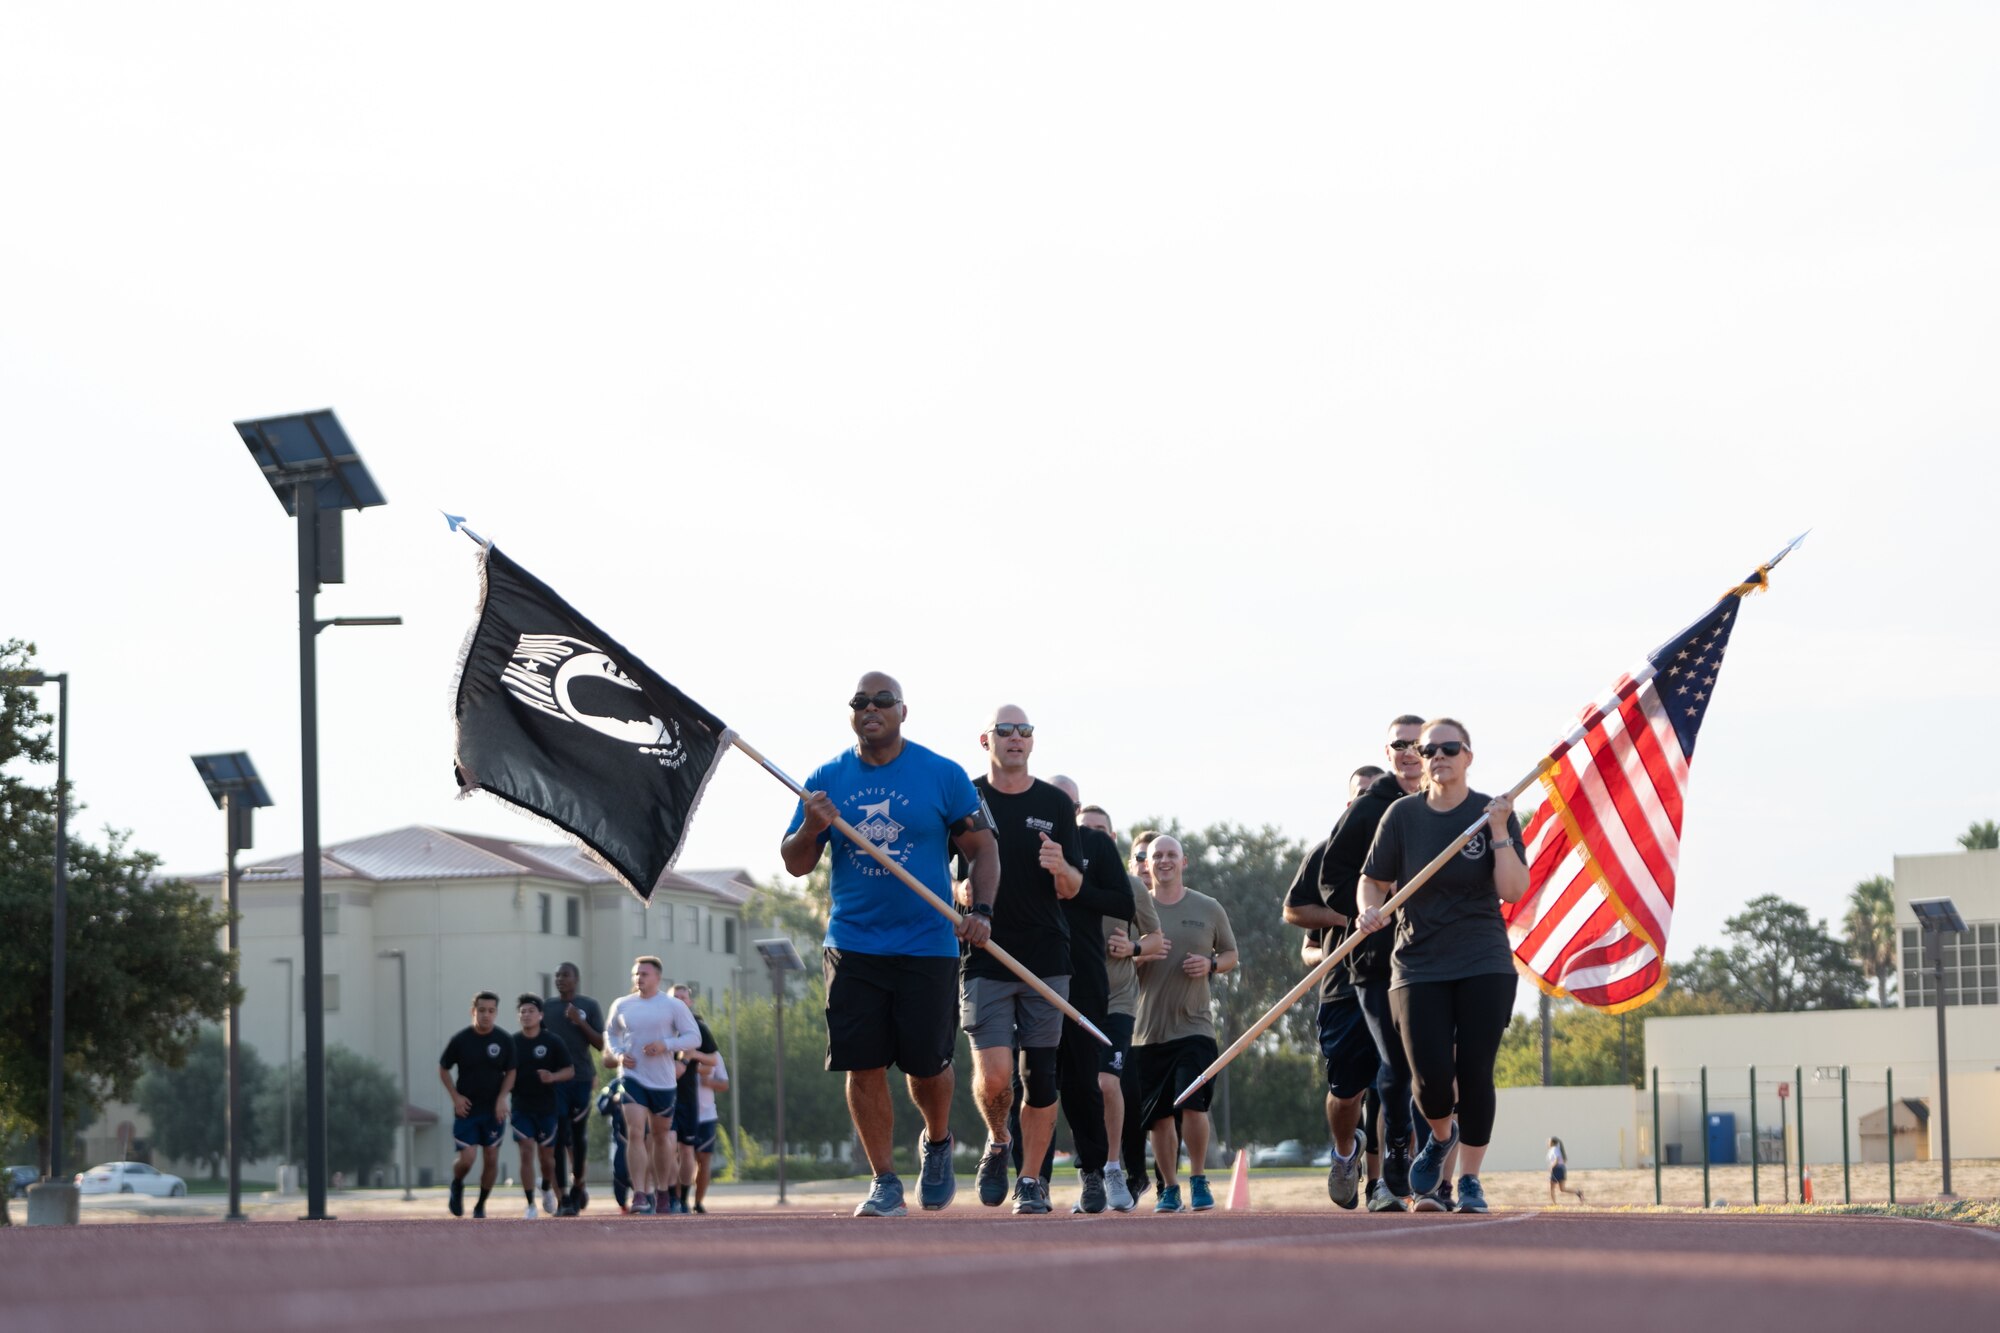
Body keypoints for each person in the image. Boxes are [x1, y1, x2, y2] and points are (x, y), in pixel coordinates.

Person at [782, 671, 999, 1217]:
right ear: (851, 713)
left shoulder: (942, 775)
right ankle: (883, 1181)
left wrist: (982, 912)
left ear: (903, 711)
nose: (870, 708)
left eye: (882, 700)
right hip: (853, 943)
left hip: (928, 942)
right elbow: (795, 864)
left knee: (928, 1068)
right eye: (860, 701)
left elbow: (983, 849)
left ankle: (939, 1140)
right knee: (864, 1064)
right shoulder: (826, 779)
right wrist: (811, 827)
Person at [1356, 717, 1527, 1216]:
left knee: (1474, 1070)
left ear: (1468, 756)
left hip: (1483, 960)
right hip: (1417, 962)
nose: (1437, 756)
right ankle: (1440, 1137)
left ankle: (1469, 1179)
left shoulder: (1491, 811)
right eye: (1427, 749)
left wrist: (1498, 830)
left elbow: (1513, 890)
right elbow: (1372, 879)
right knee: (1428, 1075)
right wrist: (1370, 907)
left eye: (1449, 748)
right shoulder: (1402, 816)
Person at [957, 706, 1081, 1216]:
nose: (1014, 739)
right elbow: (937, 872)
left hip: (1045, 957)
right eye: (1004, 731)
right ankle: (998, 1140)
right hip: (985, 952)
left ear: (1032, 742)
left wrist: (1060, 868)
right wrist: (958, 889)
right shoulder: (963, 797)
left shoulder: (1054, 802)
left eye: (1023, 732)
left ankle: (1031, 1180)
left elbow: (1074, 888)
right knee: (994, 1077)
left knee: (1042, 1077)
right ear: (986, 739)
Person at [1014, 774, 1132, 1214]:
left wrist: (1078, 886)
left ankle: (1093, 1173)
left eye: (1070, 804)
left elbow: (1122, 902)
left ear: (1077, 810)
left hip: (1083, 979)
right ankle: (1033, 1179)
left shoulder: (1095, 846)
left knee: (1083, 1083)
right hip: (1031, 975)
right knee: (1033, 1079)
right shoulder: (1021, 839)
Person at [1129, 835, 1237, 1212]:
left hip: (1195, 1027)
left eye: (1170, 854)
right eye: (1156, 855)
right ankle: (1170, 1188)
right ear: (1147, 862)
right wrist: (1141, 955)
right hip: (1146, 1031)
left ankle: (1198, 1177)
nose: (1163, 861)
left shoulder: (1207, 907)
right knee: (1158, 1117)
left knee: (1193, 1104)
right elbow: (1120, 960)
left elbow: (1230, 954)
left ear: (1183, 861)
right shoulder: (1137, 910)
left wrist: (1210, 965)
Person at [601, 956, 704, 1216]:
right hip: (632, 1077)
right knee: (635, 1132)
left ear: (658, 978)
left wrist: (666, 1045)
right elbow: (610, 1033)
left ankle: (661, 1191)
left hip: (663, 1081)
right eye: (636, 974)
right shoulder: (622, 1004)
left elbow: (694, 1037)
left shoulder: (672, 1006)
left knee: (660, 1137)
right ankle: (639, 1193)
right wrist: (619, 1053)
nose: (639, 978)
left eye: (645, 974)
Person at [1107, 828, 1166, 1207]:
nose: (1148, 865)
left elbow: (1160, 946)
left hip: (1157, 1022)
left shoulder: (1167, 904)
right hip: (1122, 1016)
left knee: (1161, 1106)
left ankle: (1166, 1184)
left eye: (1154, 857)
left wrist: (1133, 949)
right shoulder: (1113, 895)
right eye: (1141, 858)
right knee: (1118, 1091)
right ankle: (1125, 1171)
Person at [438, 991, 516, 1219]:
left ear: (496, 1013)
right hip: (468, 1110)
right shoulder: (461, 1040)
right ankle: (457, 1184)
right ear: (474, 1011)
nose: (486, 1015)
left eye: (491, 1011)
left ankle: (481, 1204)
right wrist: (455, 1097)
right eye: (481, 1010)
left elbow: (511, 1071)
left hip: (493, 1111)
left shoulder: (504, 1040)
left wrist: (503, 1098)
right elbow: (443, 1069)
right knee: (468, 1158)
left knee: (491, 1157)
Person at [543, 962, 604, 1216]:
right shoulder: (546, 1007)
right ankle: (564, 1198)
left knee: (577, 1139)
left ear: (576, 979)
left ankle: (579, 1184)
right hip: (555, 1082)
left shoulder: (588, 1006)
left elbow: (601, 1044)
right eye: (557, 975)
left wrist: (580, 1021)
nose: (560, 979)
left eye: (565, 975)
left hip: (580, 1079)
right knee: (557, 1140)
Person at [509, 994, 575, 1217]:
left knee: (547, 1159)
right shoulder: (513, 1043)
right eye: (522, 1011)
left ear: (540, 1015)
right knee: (526, 1151)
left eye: (530, 1011)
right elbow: (504, 1073)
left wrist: (553, 1077)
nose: (526, 1015)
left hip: (547, 1108)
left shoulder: (552, 1041)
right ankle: (530, 1204)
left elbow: (569, 1070)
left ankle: (546, 1187)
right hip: (521, 1107)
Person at [668, 983, 722, 1214]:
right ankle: (667, 1195)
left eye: (683, 997)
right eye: (675, 997)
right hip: (663, 1094)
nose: (679, 1001)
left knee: (687, 1151)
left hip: (688, 1098)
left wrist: (692, 1054)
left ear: (689, 1002)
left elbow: (713, 1060)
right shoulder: (660, 1026)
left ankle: (684, 1201)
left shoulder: (697, 1028)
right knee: (666, 1148)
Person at [692, 1045, 730, 1213]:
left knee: (704, 1160)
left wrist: (710, 1082)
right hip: (683, 1114)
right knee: (681, 1159)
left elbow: (724, 1084)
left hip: (707, 1116)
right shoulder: (677, 1052)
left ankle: (698, 1202)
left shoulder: (713, 1056)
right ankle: (677, 1199)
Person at [1547, 1137, 1585, 1205]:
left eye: (1549, 1141)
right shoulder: (1558, 1149)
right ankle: (1578, 1192)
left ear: (1552, 1143)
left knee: (1552, 1188)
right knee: (1562, 1189)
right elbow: (1563, 1160)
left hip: (1557, 1169)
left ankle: (1554, 1204)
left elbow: (1557, 1159)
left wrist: (1551, 1167)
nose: (1547, 1143)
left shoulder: (1554, 1149)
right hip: (1562, 1168)